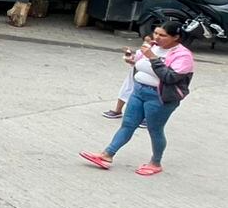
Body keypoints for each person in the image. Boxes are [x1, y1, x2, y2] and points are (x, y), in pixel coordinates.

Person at [80, 18, 195, 176]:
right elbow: (139, 62)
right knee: (127, 124)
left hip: (160, 97)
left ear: (175, 37)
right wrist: (132, 58)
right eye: (156, 33)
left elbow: (170, 77)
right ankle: (107, 154)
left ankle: (156, 163)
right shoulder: (152, 47)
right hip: (139, 91)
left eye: (163, 35)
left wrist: (153, 58)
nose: (157, 37)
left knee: (155, 129)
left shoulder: (183, 55)